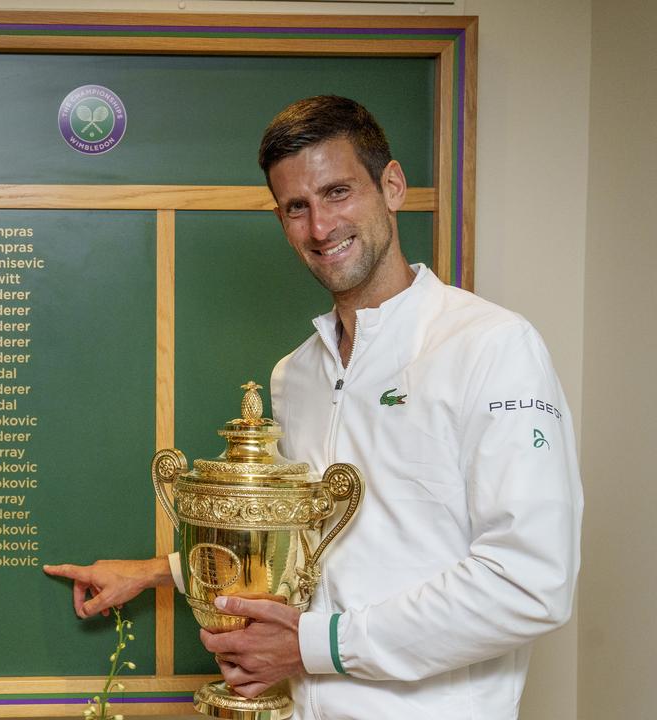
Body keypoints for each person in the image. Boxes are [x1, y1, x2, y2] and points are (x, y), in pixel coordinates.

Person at [44, 95, 582, 719]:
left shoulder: (492, 346)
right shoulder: (294, 374)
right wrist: (152, 572)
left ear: (393, 186)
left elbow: (529, 583)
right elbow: (305, 546)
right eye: (296, 208)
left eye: (338, 192)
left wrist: (312, 645)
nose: (320, 227)